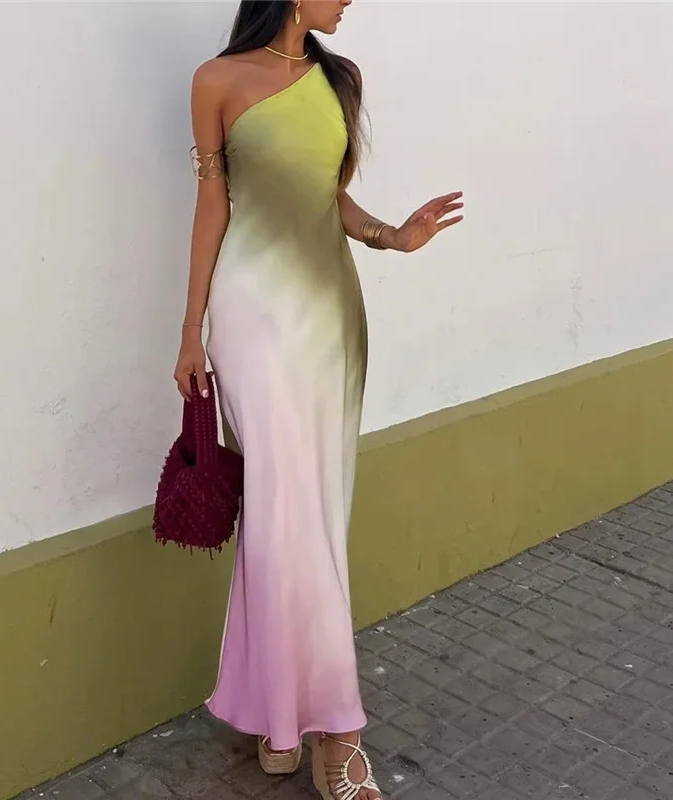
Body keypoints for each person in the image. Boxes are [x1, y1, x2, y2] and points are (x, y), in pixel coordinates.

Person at [173, 1, 463, 797]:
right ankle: (338, 734)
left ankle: (278, 714)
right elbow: (213, 204)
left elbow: (328, 199)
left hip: (330, 316)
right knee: (285, 513)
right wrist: (191, 330)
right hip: (253, 313)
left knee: (311, 516)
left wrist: (394, 236)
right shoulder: (216, 81)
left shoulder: (341, 80)